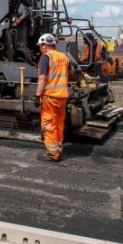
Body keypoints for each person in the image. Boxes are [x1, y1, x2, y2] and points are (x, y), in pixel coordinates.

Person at [35, 33, 73, 162]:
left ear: (45, 45)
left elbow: (42, 78)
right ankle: (58, 149)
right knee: (59, 123)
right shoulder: (64, 57)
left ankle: (53, 154)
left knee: (49, 124)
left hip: (50, 98)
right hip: (62, 96)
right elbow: (71, 72)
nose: (40, 48)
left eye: (41, 46)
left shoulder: (45, 57)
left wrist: (38, 94)